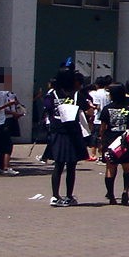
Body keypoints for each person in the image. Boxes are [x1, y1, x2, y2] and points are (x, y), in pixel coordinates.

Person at [45, 69, 88, 206]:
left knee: (58, 164)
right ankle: (69, 196)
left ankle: (55, 195)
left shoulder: (52, 94)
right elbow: (85, 108)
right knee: (71, 165)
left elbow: (47, 108)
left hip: (57, 131)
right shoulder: (76, 95)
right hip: (73, 132)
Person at [97, 83, 129, 205]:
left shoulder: (107, 109)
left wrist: (101, 142)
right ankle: (125, 190)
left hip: (110, 141)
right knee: (127, 168)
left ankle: (111, 195)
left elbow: (102, 128)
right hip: (125, 142)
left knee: (110, 168)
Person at [0, 71, 21, 176]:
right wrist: (9, 104)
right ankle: (6, 167)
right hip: (3, 120)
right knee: (7, 144)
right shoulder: (4, 92)